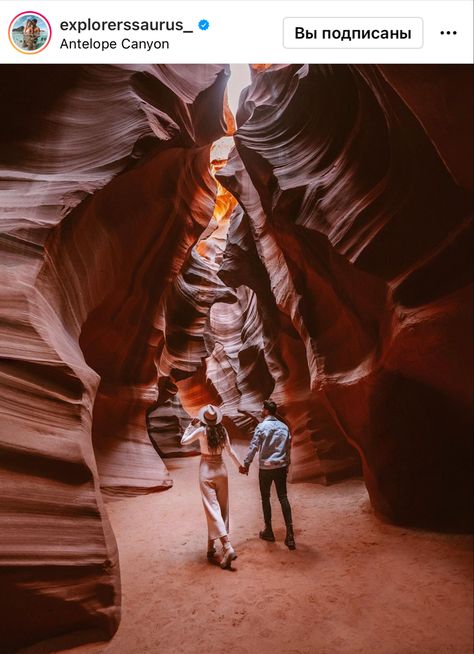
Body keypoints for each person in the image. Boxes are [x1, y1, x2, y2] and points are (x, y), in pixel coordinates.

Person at [181, 404, 243, 569]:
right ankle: (210, 547)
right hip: (222, 471)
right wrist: (240, 466)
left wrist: (190, 425)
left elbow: (183, 441)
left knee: (211, 509)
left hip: (206, 471)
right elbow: (230, 451)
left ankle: (227, 546)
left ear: (204, 419)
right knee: (222, 509)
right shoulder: (223, 430)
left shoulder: (202, 431)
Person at [239, 399, 296, 549]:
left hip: (265, 469)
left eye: (262, 409)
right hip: (280, 466)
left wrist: (246, 463)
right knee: (283, 497)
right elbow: (288, 448)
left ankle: (269, 531)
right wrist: (287, 464)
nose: (261, 411)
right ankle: (290, 534)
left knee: (265, 499)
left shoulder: (261, 426)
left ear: (266, 411)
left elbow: (254, 446)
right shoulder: (284, 427)